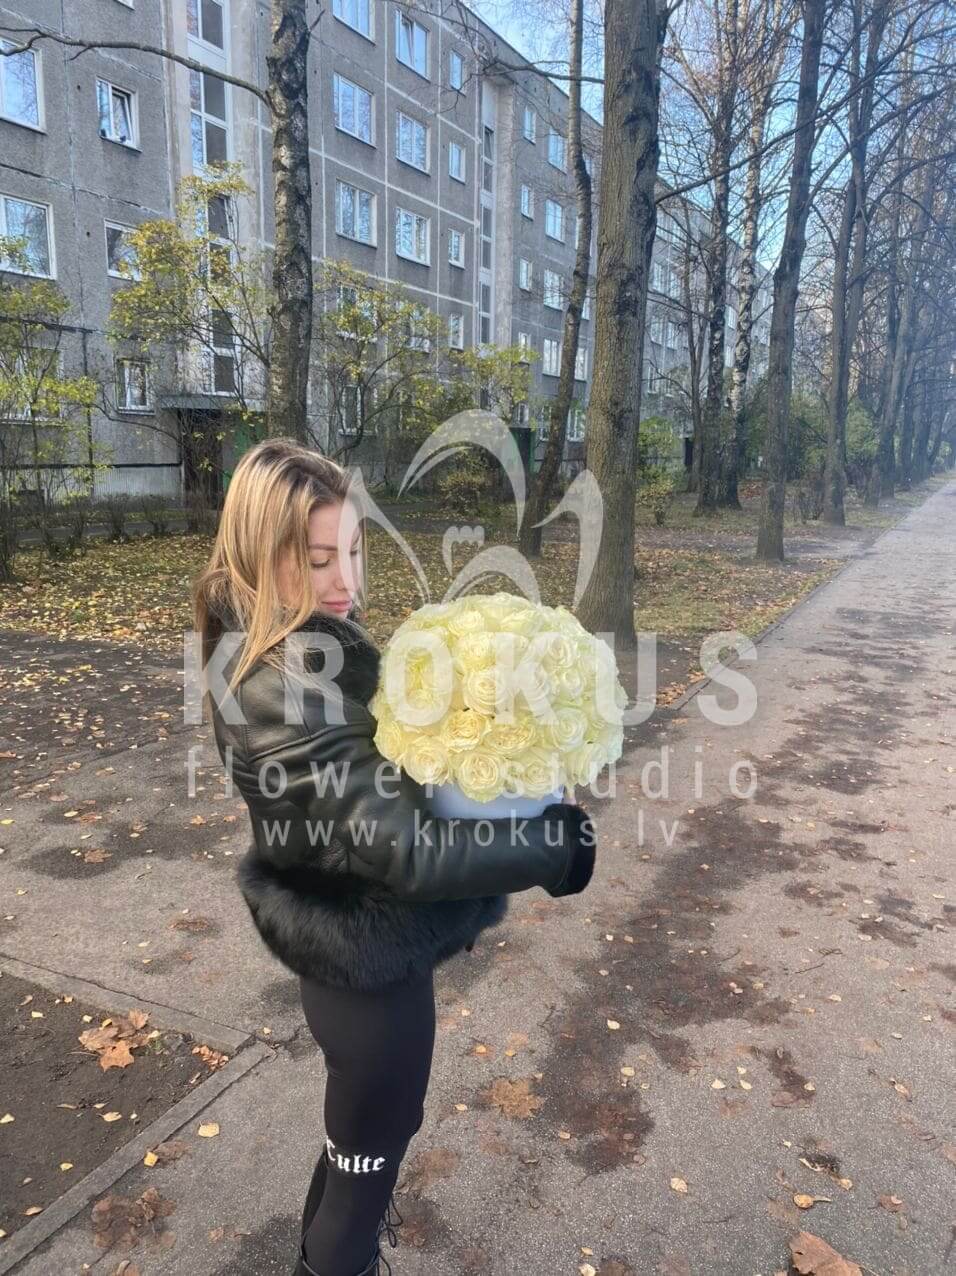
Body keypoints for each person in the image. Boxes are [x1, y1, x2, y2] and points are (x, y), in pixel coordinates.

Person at [193, 438, 597, 1276]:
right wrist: (555, 847)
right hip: (364, 975)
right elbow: (405, 850)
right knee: (363, 1180)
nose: (345, 578)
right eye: (316, 558)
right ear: (259, 558)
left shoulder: (291, 645)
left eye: (352, 549)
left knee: (358, 1147)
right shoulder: (293, 682)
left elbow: (370, 800)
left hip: (351, 953)